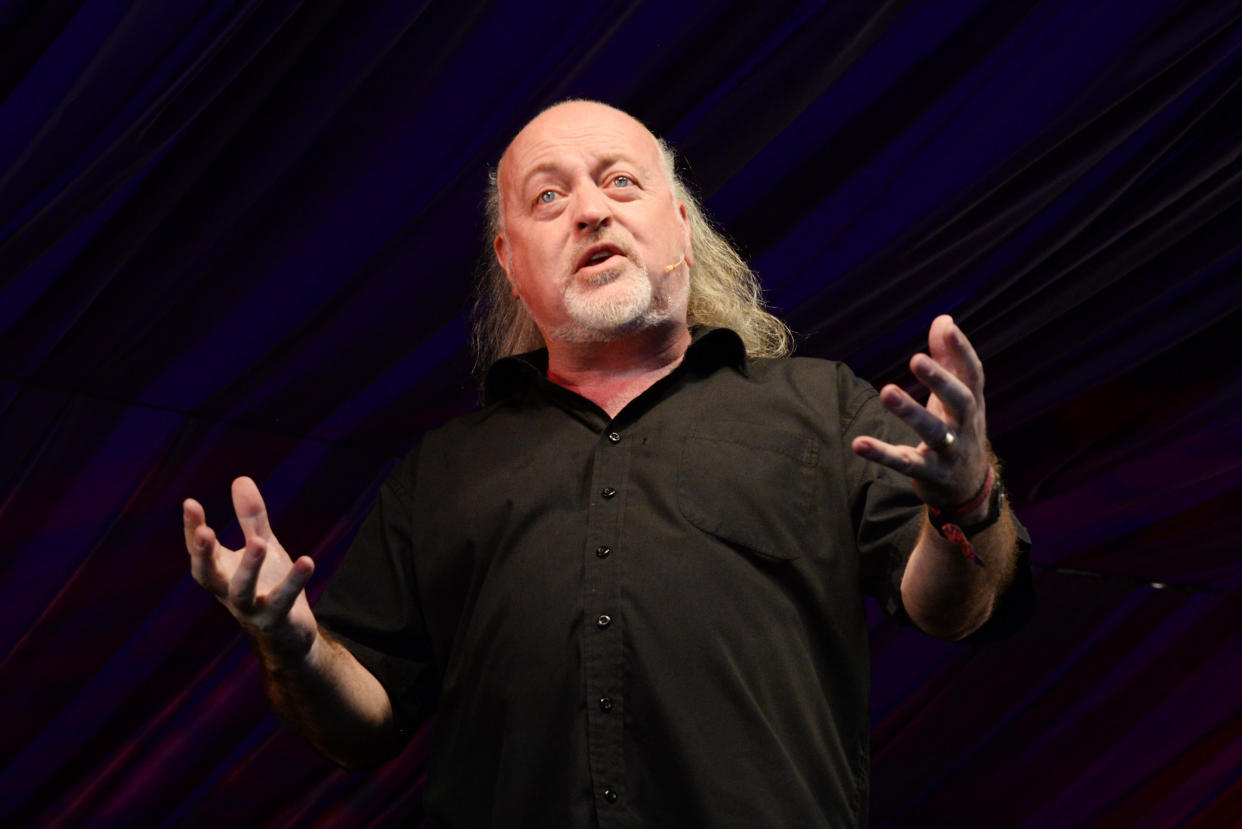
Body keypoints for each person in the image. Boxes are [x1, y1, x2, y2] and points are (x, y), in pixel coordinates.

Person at [182, 100, 1030, 827]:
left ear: (683, 230)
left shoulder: (823, 409)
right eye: (548, 197)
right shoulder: (440, 473)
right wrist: (292, 647)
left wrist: (965, 498)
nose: (589, 210)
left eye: (620, 181)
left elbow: (956, 608)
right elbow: (360, 722)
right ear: (513, 268)